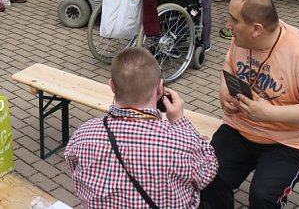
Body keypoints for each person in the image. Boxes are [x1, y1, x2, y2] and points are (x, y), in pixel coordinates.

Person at [201, 0, 299, 209]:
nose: (227, 25)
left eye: (234, 20)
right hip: (239, 129)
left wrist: (269, 113)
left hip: (287, 142)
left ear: (256, 29)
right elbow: (229, 67)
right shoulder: (241, 38)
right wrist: (224, 92)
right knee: (207, 176)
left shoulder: (298, 50)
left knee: (263, 197)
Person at [66, 47, 218, 209]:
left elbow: (72, 163)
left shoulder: (84, 133)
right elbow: (209, 169)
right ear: (160, 88)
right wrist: (180, 121)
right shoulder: (181, 142)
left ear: (111, 86)